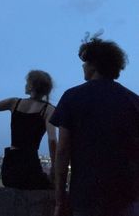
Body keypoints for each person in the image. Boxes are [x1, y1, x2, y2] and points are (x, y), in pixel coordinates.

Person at [50, 35, 139, 216]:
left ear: (94, 65)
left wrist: (60, 199)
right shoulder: (133, 100)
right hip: (126, 196)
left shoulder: (72, 97)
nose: (83, 66)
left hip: (86, 196)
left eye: (86, 62)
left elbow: (63, 150)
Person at [0, 65, 57, 189]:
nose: (25, 85)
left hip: (10, 166)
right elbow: (52, 140)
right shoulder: (49, 110)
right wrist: (55, 167)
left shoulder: (15, 103)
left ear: (31, 86)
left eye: (27, 82)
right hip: (31, 165)